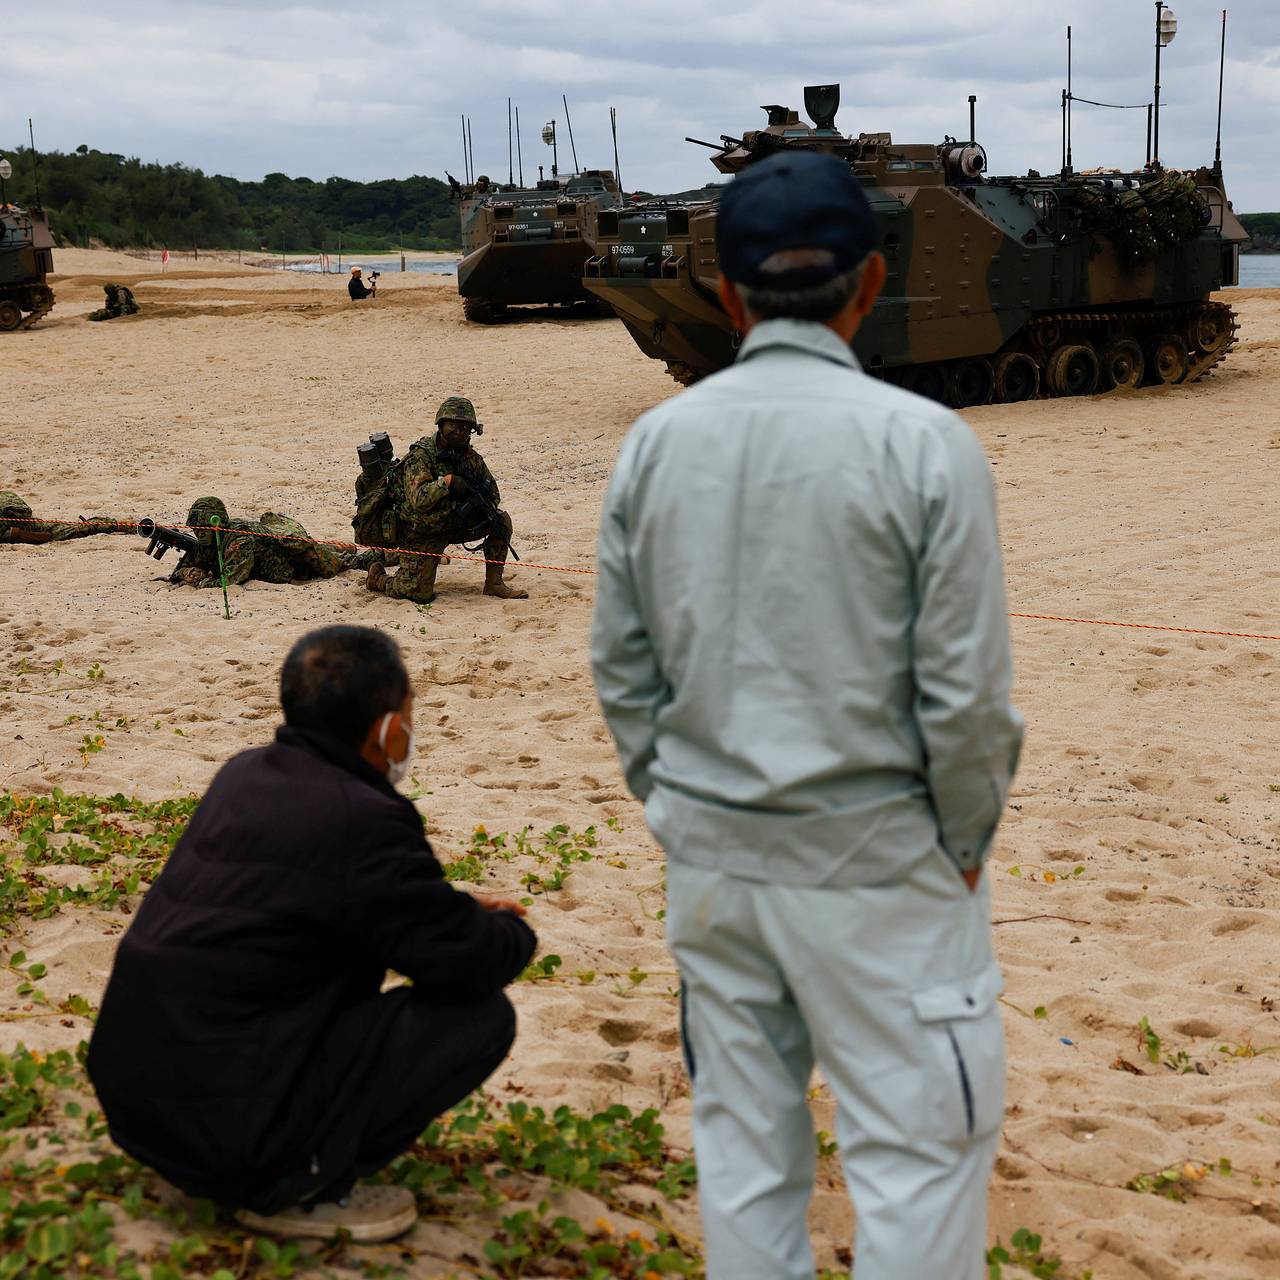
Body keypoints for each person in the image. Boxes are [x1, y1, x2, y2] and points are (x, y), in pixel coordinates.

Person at [590, 151, 1023, 1280]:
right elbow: (965, 696)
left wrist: (681, 807)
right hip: (882, 860)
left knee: (741, 1151)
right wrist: (963, 841)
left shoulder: (655, 446)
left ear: (727, 295)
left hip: (716, 864)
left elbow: (622, 672)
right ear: (870, 283)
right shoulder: (926, 447)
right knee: (917, 1156)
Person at [87, 625, 537, 1241]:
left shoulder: (244, 774)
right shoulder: (365, 816)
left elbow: (318, 897)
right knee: (481, 1017)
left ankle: (263, 1151)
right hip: (231, 1132)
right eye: (407, 714)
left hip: (139, 1102)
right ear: (386, 728)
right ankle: (294, 1181)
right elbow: (468, 960)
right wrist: (507, 929)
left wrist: (443, 906)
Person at [365, 396, 527, 603]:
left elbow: (494, 493)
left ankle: (494, 584)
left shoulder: (471, 458)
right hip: (422, 531)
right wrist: (447, 483)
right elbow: (418, 500)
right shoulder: (422, 456)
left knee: (500, 520)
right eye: (452, 425)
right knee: (416, 594)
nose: (458, 432)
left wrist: (477, 505)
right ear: (441, 425)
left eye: (464, 427)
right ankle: (377, 578)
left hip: (455, 522)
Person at [168, 496, 368, 588]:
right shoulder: (209, 541)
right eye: (195, 530)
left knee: (349, 561)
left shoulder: (239, 541)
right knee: (332, 550)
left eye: (202, 529)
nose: (197, 533)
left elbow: (231, 580)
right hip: (278, 551)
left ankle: (388, 554)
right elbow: (179, 571)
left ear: (217, 524)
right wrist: (188, 572)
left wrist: (201, 581)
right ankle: (333, 547)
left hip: (296, 564)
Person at [1, 491, 128, 544]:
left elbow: (16, 534)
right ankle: (119, 525)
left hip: (27, 524)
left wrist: (45, 537)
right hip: (22, 520)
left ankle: (121, 525)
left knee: (76, 531)